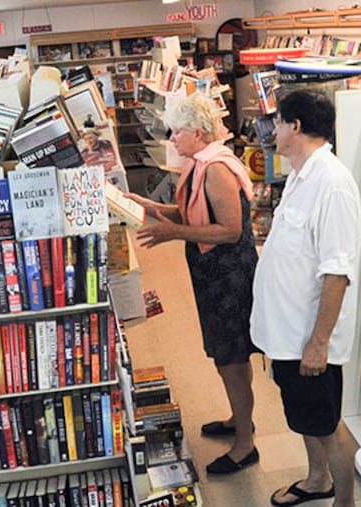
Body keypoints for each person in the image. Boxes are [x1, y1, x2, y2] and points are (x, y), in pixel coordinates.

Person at [127, 92, 259, 474]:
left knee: (231, 358)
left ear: (199, 133)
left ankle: (245, 444)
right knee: (226, 355)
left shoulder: (216, 168)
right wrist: (149, 207)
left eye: (177, 132)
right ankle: (239, 417)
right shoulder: (201, 163)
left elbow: (231, 230)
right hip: (213, 273)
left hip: (229, 277)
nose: (171, 139)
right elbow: (191, 212)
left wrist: (173, 233)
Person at [250, 89, 361, 507]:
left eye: (278, 122)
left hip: (308, 339)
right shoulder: (301, 174)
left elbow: (338, 273)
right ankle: (318, 480)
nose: (274, 130)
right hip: (287, 333)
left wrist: (318, 344)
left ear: (296, 127)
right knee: (304, 418)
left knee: (326, 424)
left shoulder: (332, 184)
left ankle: (345, 501)